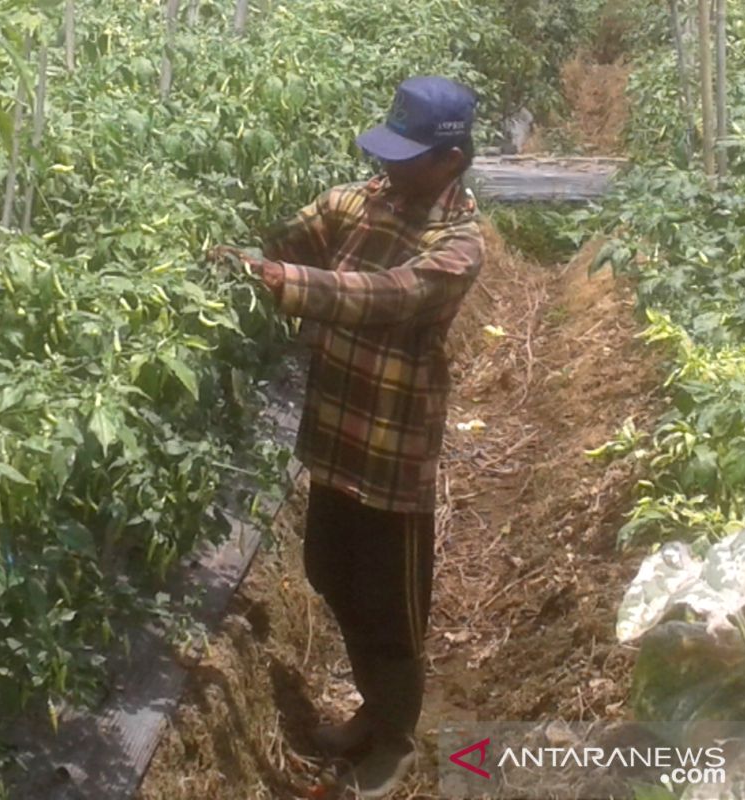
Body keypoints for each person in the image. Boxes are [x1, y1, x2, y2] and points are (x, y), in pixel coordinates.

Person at [212, 76, 485, 796]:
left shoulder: (458, 245)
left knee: (394, 605)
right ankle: (373, 707)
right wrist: (222, 251)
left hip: (394, 450)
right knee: (330, 570)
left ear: (448, 162)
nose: (389, 168)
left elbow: (383, 297)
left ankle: (393, 736)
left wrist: (282, 280)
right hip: (335, 433)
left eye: (406, 156)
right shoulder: (355, 203)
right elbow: (280, 238)